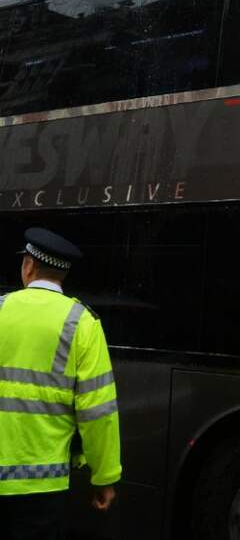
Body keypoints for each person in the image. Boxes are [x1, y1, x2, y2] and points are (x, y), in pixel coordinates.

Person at [0, 227, 121, 539]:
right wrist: (104, 476)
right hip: (43, 485)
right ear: (62, 274)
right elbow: (98, 411)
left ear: (28, 266)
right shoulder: (83, 323)